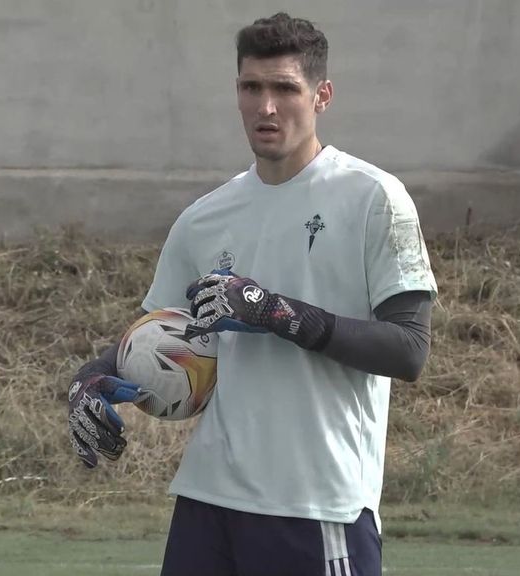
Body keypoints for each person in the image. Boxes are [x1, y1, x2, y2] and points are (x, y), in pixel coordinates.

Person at [68, 12, 437, 576]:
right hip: (208, 501)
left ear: (321, 95)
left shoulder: (374, 198)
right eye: (251, 87)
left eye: (285, 88)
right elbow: (157, 334)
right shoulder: (204, 218)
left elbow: (408, 350)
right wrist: (90, 380)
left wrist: (274, 311)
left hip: (317, 504)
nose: (266, 106)